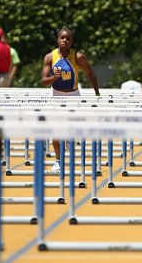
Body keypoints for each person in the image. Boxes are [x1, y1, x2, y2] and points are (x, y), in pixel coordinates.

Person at [41, 27, 100, 172]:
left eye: (68, 38)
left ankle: (73, 158)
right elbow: (43, 80)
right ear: (57, 39)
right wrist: (54, 77)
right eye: (62, 38)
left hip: (73, 95)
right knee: (54, 130)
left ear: (72, 41)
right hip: (55, 94)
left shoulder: (78, 57)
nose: (65, 41)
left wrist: (97, 93)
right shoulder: (50, 57)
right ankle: (58, 161)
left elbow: (90, 74)